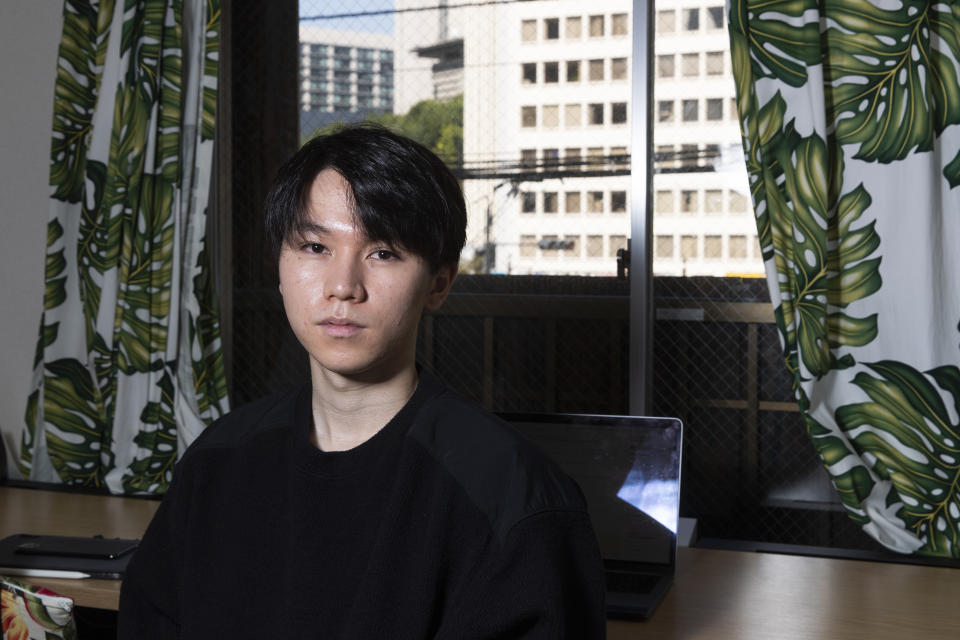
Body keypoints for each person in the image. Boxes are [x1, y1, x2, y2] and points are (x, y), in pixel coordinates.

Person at [118, 123, 606, 638]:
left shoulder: (515, 499)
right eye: (314, 247)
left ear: (439, 283)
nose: (343, 287)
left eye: (384, 253)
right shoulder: (218, 460)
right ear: (280, 264)